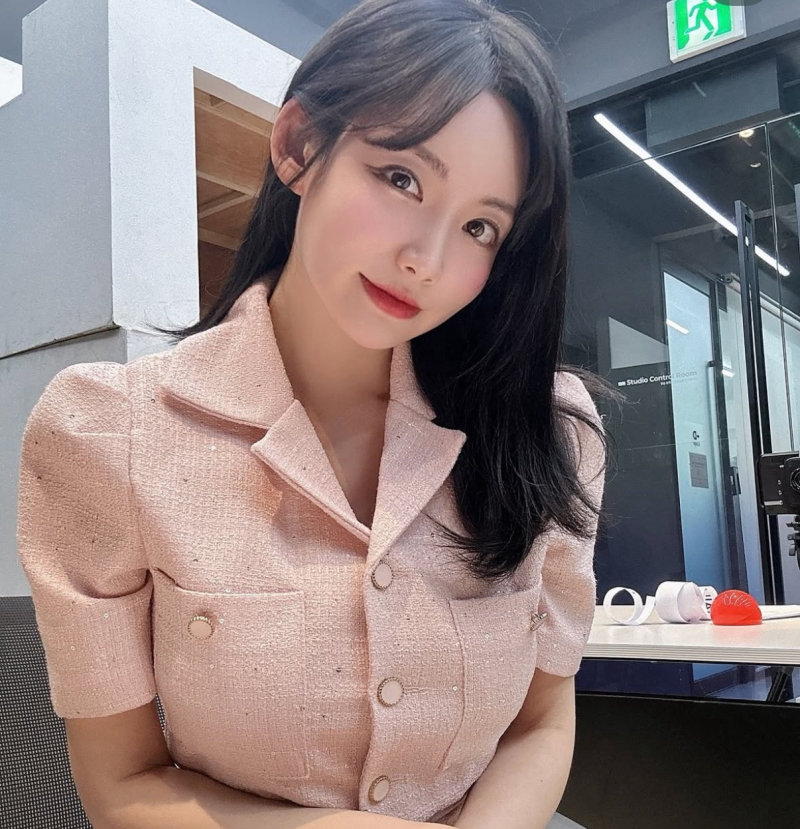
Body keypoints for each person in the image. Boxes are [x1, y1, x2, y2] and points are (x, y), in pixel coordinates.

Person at [16, 0, 621, 827]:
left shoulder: (547, 432)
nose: (426, 259)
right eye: (401, 178)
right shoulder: (111, 435)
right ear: (300, 145)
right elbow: (121, 782)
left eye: (480, 226)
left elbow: (542, 721)